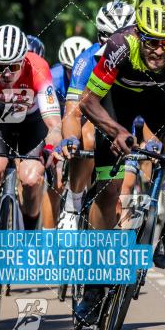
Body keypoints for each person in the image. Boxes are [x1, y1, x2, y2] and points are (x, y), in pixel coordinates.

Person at [75, 0, 165, 326]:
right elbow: (88, 102)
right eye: (152, 42)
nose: (159, 51)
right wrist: (115, 131)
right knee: (109, 190)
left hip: (160, 99)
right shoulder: (119, 46)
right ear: (139, 35)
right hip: (115, 104)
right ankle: (94, 287)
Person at [0, 25, 62, 276]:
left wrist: (51, 146)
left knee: (30, 180)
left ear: (24, 60)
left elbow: (53, 124)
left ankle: (30, 236)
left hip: (31, 120)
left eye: (13, 67)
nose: (6, 73)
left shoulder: (39, 68)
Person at [58, 2, 136, 229]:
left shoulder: (147, 60)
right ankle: (72, 204)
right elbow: (73, 112)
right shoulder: (86, 60)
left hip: (128, 119)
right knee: (87, 137)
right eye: (110, 40)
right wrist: (70, 140)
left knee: (120, 191)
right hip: (98, 117)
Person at [42, 36, 93, 229]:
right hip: (57, 124)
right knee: (56, 183)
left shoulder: (96, 73)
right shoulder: (54, 78)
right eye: (70, 70)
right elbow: (47, 116)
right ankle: (48, 236)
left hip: (82, 122)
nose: (75, 74)